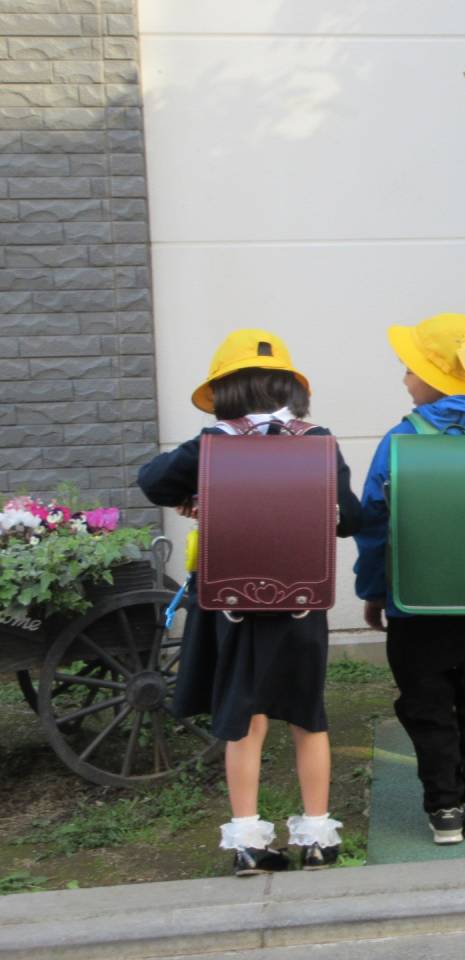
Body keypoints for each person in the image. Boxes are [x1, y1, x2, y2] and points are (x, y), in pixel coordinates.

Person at [138, 329, 361, 875]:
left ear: (225, 390)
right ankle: (318, 838)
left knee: (245, 719)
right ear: (290, 387)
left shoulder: (210, 445)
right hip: (300, 603)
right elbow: (351, 518)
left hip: (232, 604)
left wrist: (200, 494)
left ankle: (246, 842)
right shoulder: (318, 441)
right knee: (308, 716)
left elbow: (153, 483)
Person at [354, 313, 465, 844]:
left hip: (415, 606)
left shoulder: (400, 440)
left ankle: (445, 807)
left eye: (410, 368)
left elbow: (374, 524)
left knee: (427, 706)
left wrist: (374, 591)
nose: (404, 377)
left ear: (434, 379)